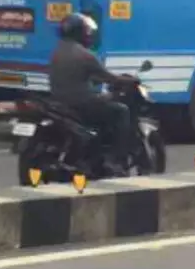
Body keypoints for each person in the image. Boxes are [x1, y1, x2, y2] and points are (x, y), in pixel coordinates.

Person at [48, 12, 134, 176]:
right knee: (121, 111)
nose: (89, 35)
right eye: (87, 32)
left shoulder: (57, 52)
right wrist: (130, 80)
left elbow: (76, 75)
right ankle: (114, 160)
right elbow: (109, 78)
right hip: (82, 104)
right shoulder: (85, 55)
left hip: (59, 102)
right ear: (80, 32)